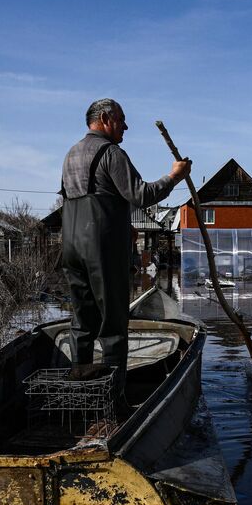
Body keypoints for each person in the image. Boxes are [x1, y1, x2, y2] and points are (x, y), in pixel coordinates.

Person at [59, 98, 190, 403]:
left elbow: (86, 199)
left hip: (72, 244)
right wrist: (174, 176)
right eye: (121, 120)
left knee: (82, 318)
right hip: (101, 249)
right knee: (113, 323)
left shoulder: (71, 154)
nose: (126, 127)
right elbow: (141, 195)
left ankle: (81, 392)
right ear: (105, 119)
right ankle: (112, 401)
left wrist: (119, 224)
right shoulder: (111, 153)